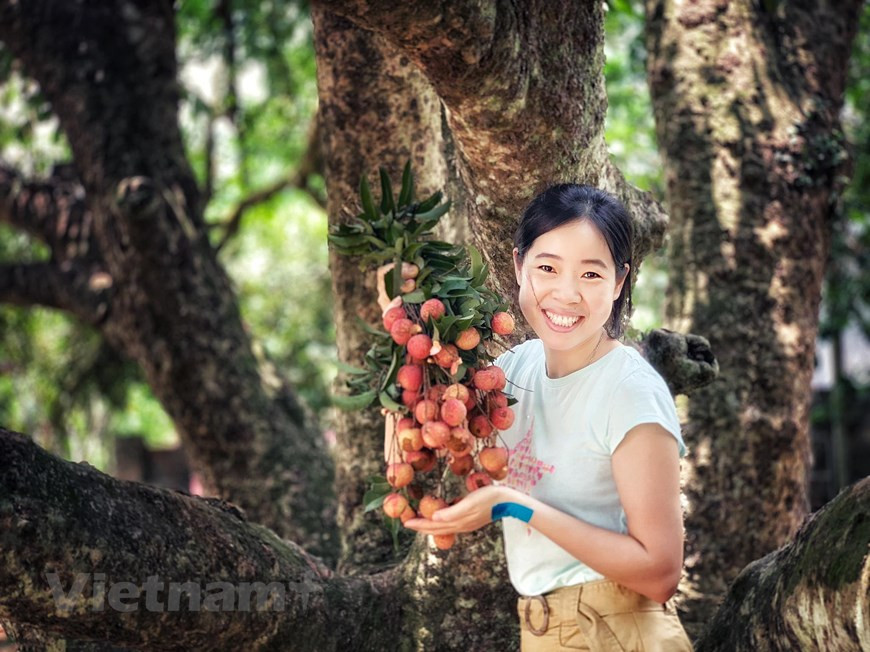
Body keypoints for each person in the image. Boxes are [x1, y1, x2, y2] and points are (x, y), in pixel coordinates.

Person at [402, 184, 694, 650]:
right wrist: (402, 335)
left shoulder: (629, 391)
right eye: (547, 268)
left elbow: (660, 573)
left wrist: (513, 505)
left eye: (591, 275)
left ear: (619, 283)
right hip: (541, 627)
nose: (566, 293)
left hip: (617, 630)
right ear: (518, 266)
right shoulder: (514, 371)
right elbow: (416, 447)